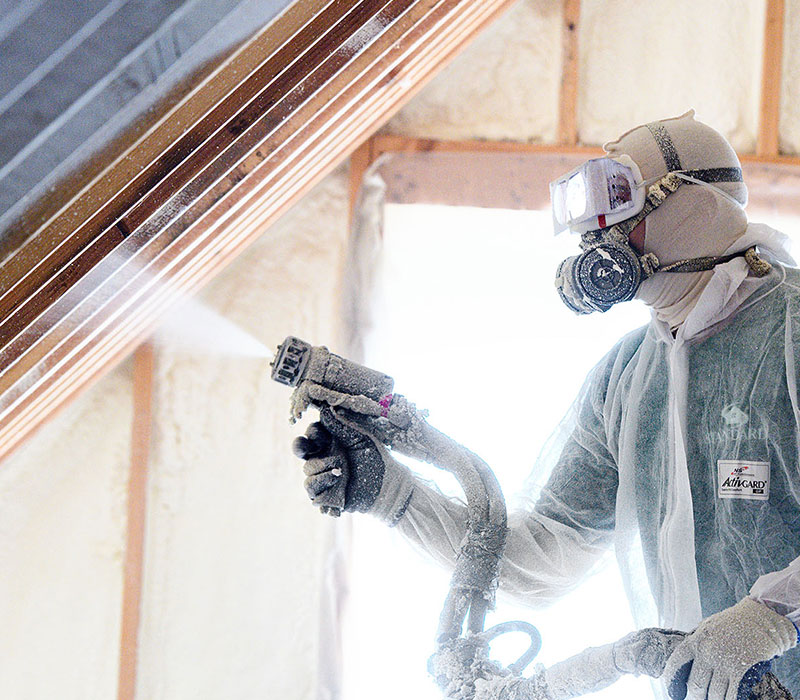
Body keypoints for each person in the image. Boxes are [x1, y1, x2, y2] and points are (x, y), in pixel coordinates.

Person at [293, 111, 800, 700]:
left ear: (693, 209)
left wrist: (774, 616)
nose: (596, 239)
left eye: (619, 208)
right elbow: (542, 561)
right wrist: (394, 496)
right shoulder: (626, 380)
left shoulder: (792, 331)